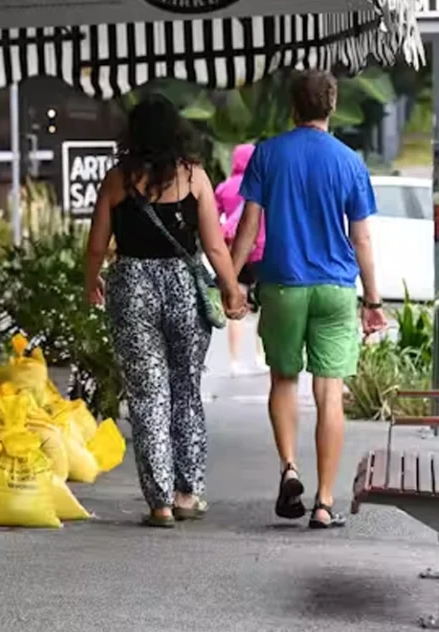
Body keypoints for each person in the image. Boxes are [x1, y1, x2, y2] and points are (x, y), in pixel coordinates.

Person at [230, 70, 387, 529]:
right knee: (329, 393)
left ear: (292, 107)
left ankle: (290, 468)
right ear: (332, 106)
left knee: (283, 378)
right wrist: (372, 299)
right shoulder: (349, 162)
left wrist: (233, 280)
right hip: (337, 288)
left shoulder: (267, 155)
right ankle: (322, 502)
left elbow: (248, 227)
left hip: (282, 283)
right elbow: (361, 240)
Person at [85, 95, 246, 528]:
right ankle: (188, 493)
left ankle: (159, 503)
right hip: (181, 288)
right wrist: (231, 289)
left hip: (132, 287)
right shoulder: (193, 177)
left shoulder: (117, 180)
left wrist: (91, 280)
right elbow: (214, 246)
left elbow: (98, 243)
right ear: (177, 130)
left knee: (148, 395)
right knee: (185, 389)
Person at [215, 143, 266, 375]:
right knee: (265, 307)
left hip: (233, 253)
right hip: (261, 252)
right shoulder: (262, 185)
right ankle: (261, 356)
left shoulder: (224, 188)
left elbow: (212, 221)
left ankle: (235, 361)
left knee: (236, 304)